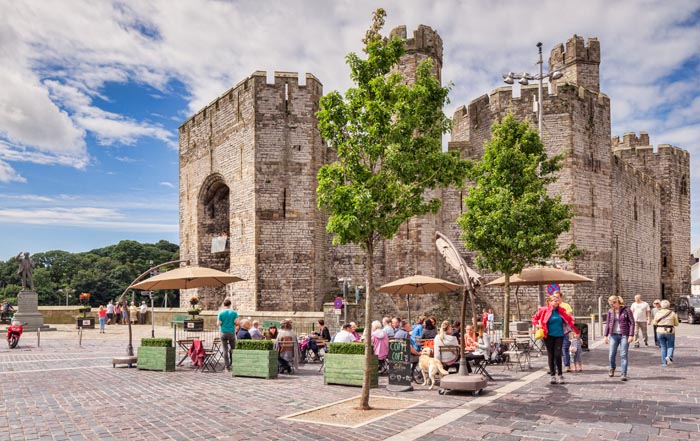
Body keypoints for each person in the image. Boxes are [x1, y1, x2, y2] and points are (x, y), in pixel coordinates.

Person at [532, 295, 578, 384]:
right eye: (554, 301)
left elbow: (568, 321)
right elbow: (534, 318)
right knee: (551, 355)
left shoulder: (561, 311)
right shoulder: (543, 310)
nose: (556, 302)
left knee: (557, 354)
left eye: (557, 301)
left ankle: (560, 375)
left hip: (559, 335)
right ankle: (552, 375)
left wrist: (574, 328)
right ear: (549, 302)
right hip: (548, 335)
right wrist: (537, 324)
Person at [604, 295, 635, 381]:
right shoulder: (610, 311)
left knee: (623, 354)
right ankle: (612, 368)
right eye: (610, 303)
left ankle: (623, 373)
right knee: (611, 354)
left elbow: (632, 323)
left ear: (618, 302)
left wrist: (631, 335)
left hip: (624, 335)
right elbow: (607, 324)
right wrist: (606, 336)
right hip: (613, 335)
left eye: (613, 303)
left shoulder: (626, 310)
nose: (612, 305)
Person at [653, 300, 679, 367]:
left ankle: (664, 363)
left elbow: (655, 323)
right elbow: (676, 323)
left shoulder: (658, 313)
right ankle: (669, 356)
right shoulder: (673, 313)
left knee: (663, 347)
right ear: (669, 306)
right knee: (670, 345)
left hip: (660, 331)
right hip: (670, 331)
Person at [217, 299, 238, 372]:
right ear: (230, 304)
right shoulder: (234, 312)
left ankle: (227, 367)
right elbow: (237, 323)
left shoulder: (221, 313)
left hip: (223, 332)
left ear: (224, 304)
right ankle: (234, 364)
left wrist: (223, 323)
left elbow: (218, 323)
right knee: (233, 349)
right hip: (231, 332)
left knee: (225, 349)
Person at [555, 291, 574, 373]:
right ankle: (554, 366)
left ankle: (567, 365)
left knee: (565, 348)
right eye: (555, 297)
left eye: (558, 297)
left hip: (564, 330)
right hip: (554, 331)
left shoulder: (566, 306)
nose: (556, 299)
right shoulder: (552, 306)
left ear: (561, 298)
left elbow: (569, 317)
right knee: (555, 349)